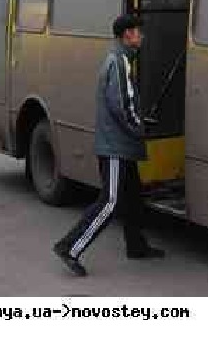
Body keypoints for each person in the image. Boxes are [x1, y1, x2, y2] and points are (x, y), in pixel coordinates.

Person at [52, 14, 164, 276]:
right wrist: (140, 128)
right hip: (115, 147)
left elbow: (124, 103)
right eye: (139, 32)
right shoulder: (119, 62)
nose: (142, 36)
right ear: (128, 35)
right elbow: (121, 105)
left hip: (120, 143)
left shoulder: (121, 59)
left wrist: (138, 121)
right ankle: (70, 247)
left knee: (133, 196)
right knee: (111, 201)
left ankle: (136, 246)